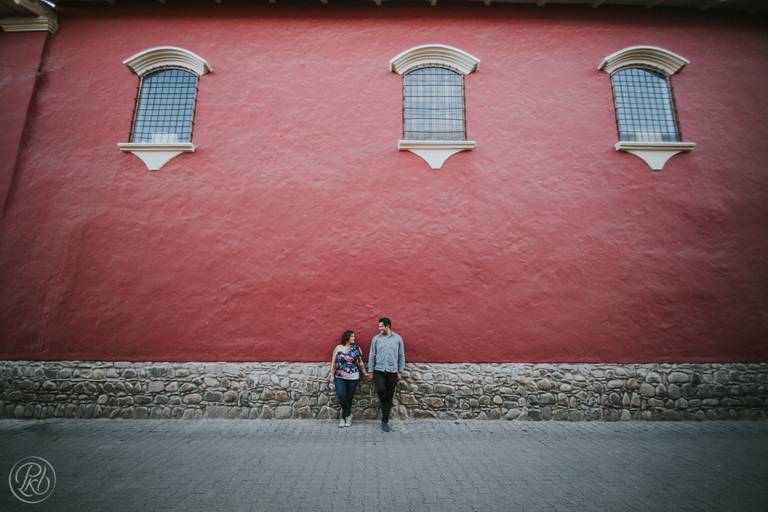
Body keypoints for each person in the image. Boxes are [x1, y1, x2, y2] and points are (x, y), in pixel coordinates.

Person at [366, 317, 405, 432]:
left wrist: (400, 371)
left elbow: (401, 355)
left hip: (392, 371)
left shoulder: (398, 339)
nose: (379, 328)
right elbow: (372, 355)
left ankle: (384, 421)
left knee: (390, 395)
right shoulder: (376, 339)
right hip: (379, 370)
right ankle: (386, 403)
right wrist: (370, 371)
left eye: (381, 326)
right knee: (381, 390)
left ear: (387, 326)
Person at [328, 330, 367, 427]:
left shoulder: (356, 348)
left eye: (354, 336)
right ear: (347, 337)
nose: (354, 338)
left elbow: (360, 362)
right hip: (339, 376)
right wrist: (332, 375)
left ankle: (343, 418)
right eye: (352, 336)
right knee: (341, 395)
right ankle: (349, 414)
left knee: (349, 397)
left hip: (353, 376)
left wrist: (365, 373)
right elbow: (333, 362)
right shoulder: (338, 348)